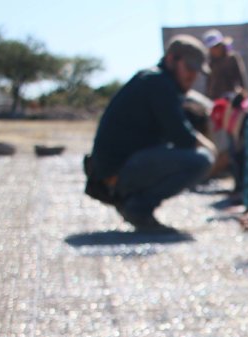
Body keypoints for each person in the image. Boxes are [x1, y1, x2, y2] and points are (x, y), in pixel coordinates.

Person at [85, 35, 216, 232]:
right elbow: (181, 136)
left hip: (118, 167)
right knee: (202, 159)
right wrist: (212, 149)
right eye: (189, 68)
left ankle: (133, 202)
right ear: (171, 59)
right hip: (117, 169)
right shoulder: (158, 83)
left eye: (196, 71)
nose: (192, 76)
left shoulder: (154, 81)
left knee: (194, 155)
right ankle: (138, 207)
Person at [202, 29, 248, 100]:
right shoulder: (211, 62)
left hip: (230, 98)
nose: (214, 50)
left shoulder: (232, 58)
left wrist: (243, 94)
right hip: (214, 99)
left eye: (216, 46)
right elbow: (209, 83)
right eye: (211, 48)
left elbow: (241, 79)